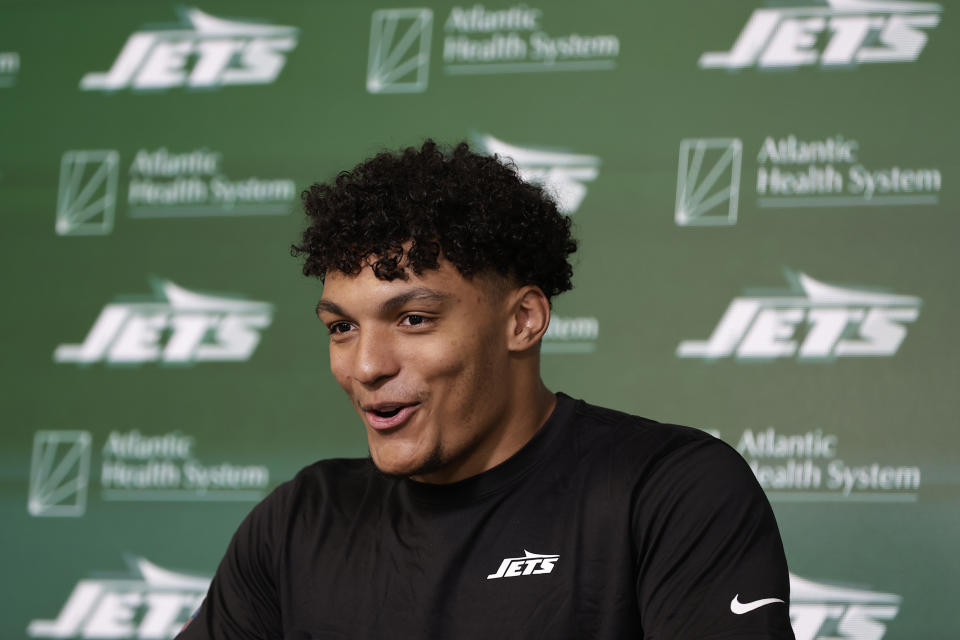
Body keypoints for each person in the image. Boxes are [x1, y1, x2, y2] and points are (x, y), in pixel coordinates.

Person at [177, 140, 795, 639]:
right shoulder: (298, 522)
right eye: (342, 328)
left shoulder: (669, 491)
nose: (365, 366)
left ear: (522, 320)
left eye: (413, 319)